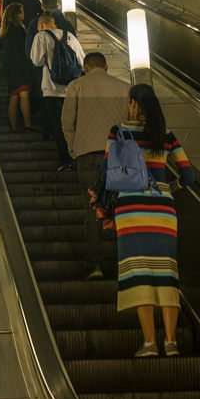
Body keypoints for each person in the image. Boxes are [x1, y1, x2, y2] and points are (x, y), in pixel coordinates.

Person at [102, 83, 195, 357]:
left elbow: (109, 167)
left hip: (131, 210)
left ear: (133, 104)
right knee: (167, 275)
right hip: (163, 211)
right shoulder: (166, 136)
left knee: (139, 274)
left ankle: (150, 344)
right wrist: (168, 189)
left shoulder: (118, 132)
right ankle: (171, 342)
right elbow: (188, 176)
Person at [62, 52, 132, 279]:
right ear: (107, 67)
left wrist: (74, 148)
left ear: (85, 67)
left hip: (87, 154)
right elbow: (132, 122)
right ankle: (128, 265)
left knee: (92, 209)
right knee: (122, 207)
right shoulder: (124, 87)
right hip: (118, 154)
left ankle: (95, 266)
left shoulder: (76, 86)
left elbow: (67, 121)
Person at [29, 13, 85, 170]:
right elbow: (82, 60)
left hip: (51, 90)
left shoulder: (41, 36)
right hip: (72, 90)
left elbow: (36, 60)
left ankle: (65, 159)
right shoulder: (70, 37)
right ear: (54, 24)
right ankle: (78, 155)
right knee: (74, 124)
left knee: (58, 125)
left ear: (41, 25)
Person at [0, 3, 37, 131]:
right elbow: (25, 49)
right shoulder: (18, 30)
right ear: (17, 14)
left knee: (14, 97)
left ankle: (14, 126)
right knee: (24, 95)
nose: (23, 14)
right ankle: (28, 124)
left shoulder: (5, 30)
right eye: (21, 12)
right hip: (22, 66)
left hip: (11, 68)